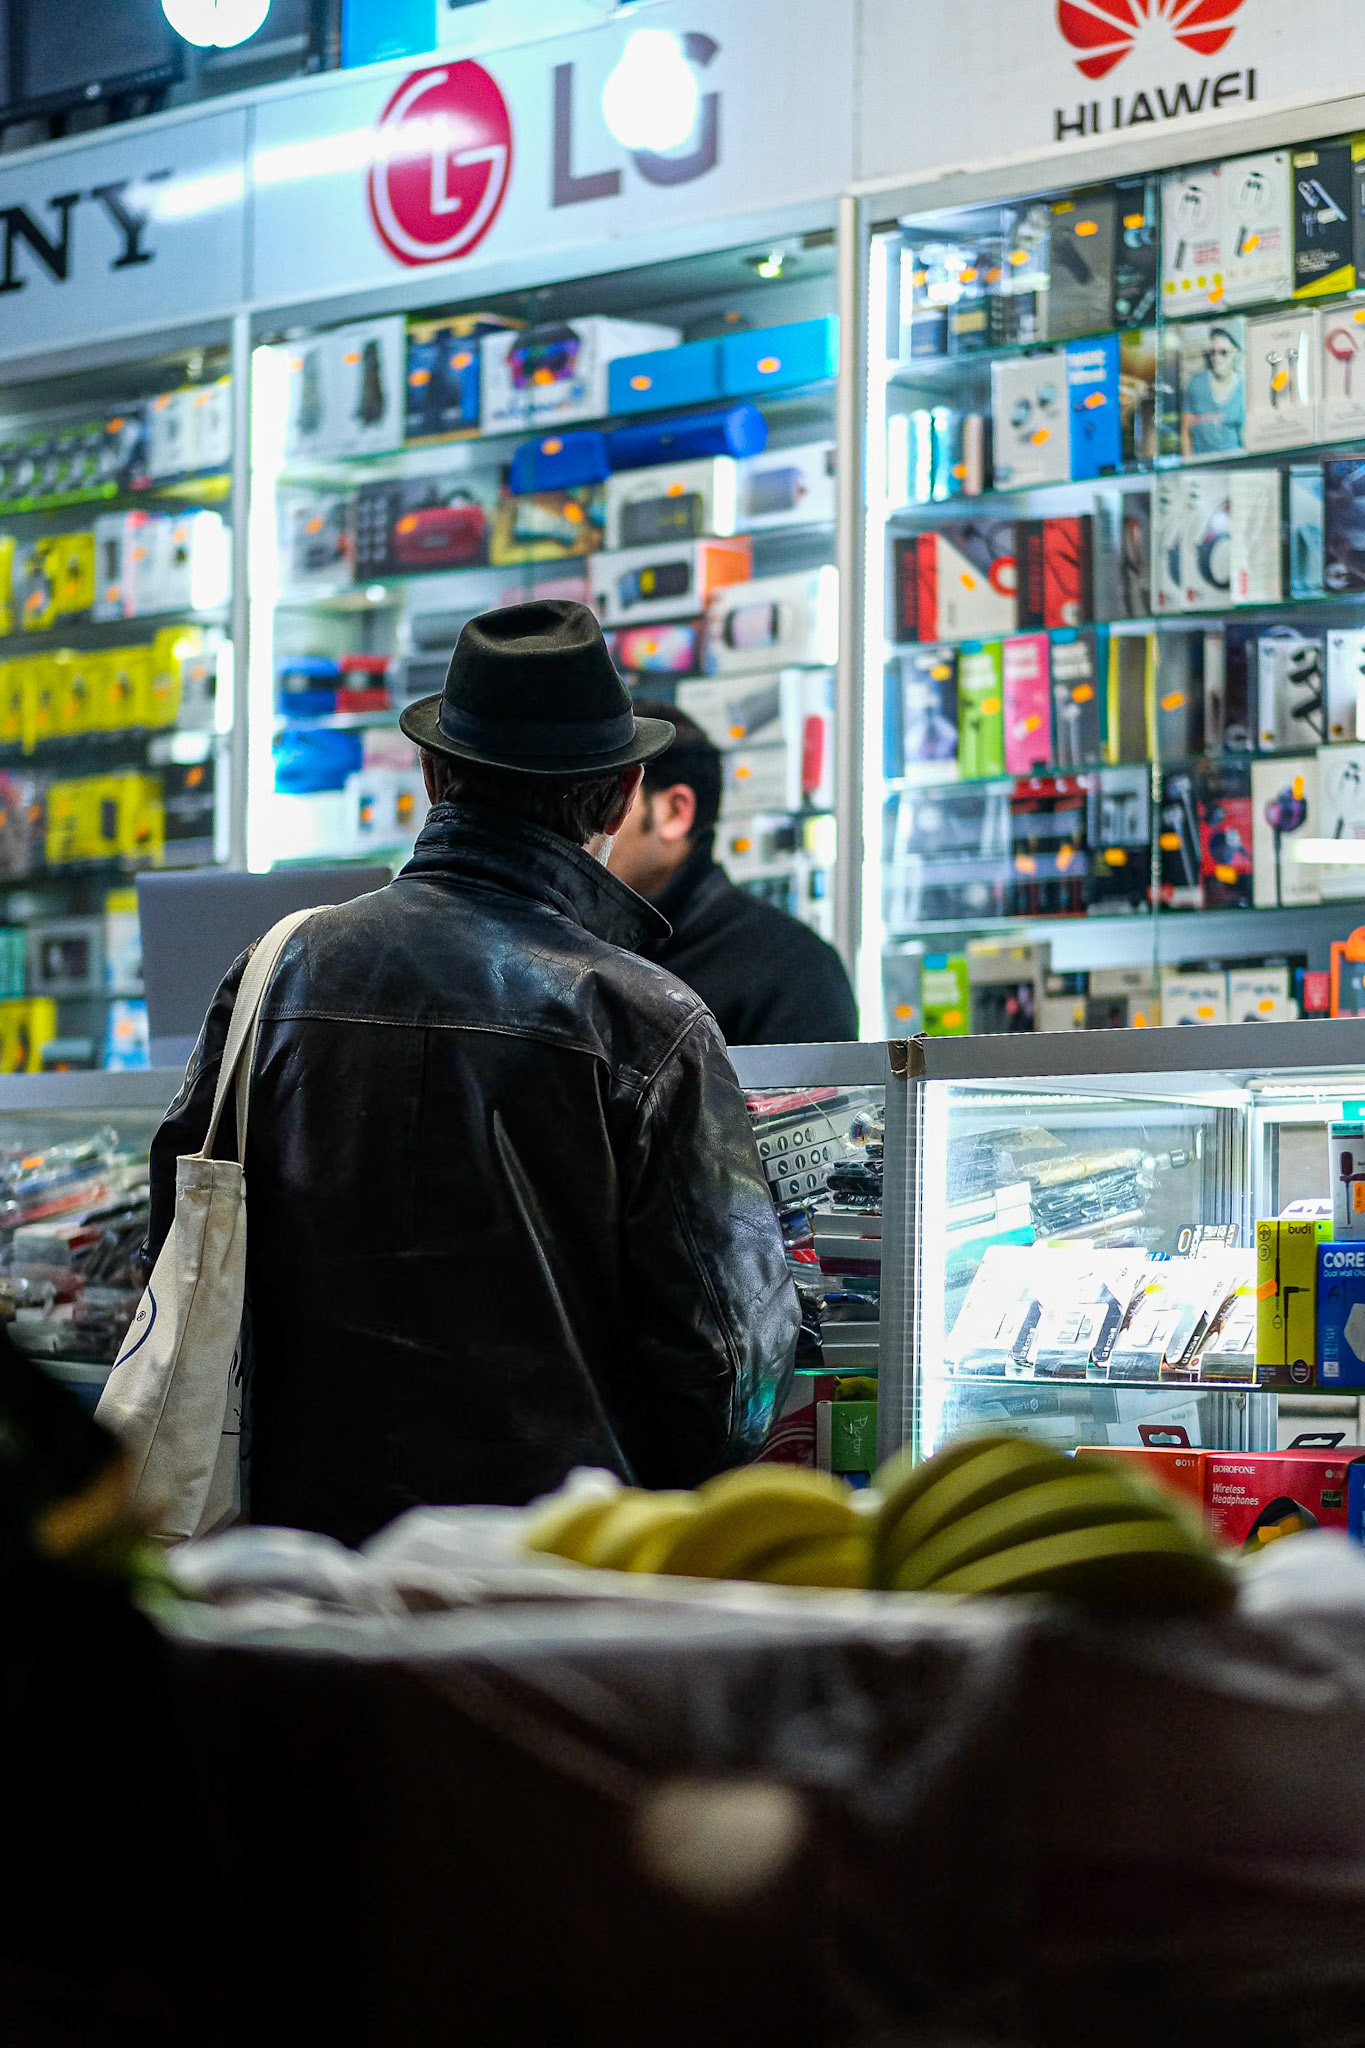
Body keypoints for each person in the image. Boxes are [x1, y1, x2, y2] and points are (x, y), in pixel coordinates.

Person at [146, 603, 798, 1546]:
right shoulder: (649, 1020)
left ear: (430, 774)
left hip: (299, 1572)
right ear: (622, 795)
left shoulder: (274, 969)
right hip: (549, 1585)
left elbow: (176, 1246)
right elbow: (731, 1374)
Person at [607, 699, 858, 1045]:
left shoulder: (793, 969)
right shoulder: (573, 942)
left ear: (675, 813)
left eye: (608, 798)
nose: (584, 821)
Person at [1181, 324, 1244, 456]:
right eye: (1213, 352)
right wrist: (1188, 465)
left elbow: (1245, 435)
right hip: (1201, 464)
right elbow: (1185, 430)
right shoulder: (1196, 383)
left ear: (1234, 352)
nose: (1217, 358)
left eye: (1223, 352)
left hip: (1233, 461)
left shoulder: (1242, 389)